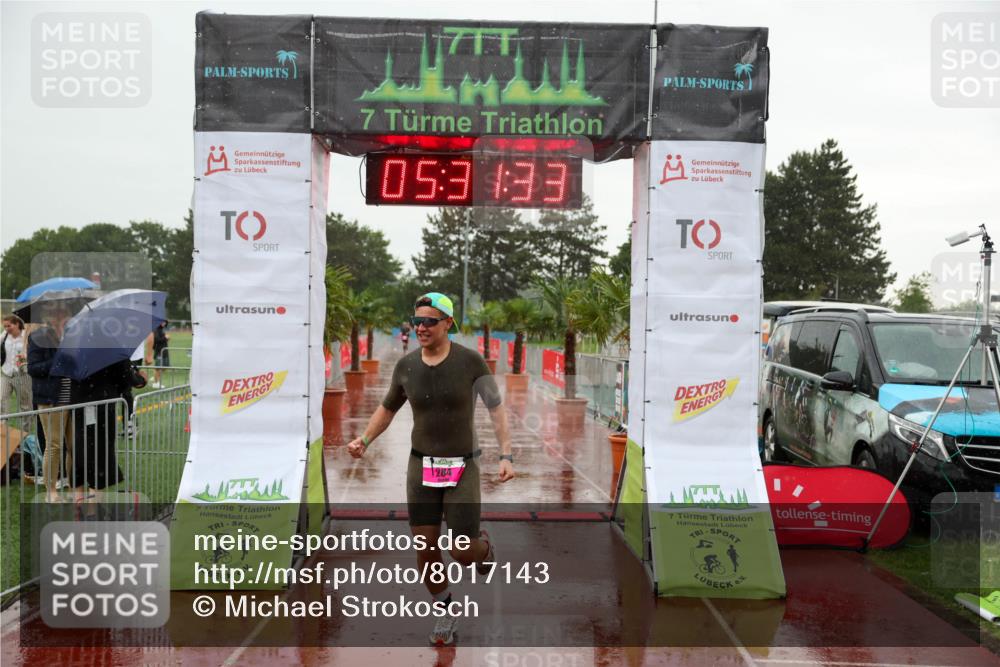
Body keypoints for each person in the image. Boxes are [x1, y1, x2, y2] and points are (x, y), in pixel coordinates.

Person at [348, 292, 515, 646]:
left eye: (429, 321)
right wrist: (365, 438)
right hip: (421, 466)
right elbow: (388, 408)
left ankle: (485, 550)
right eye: (417, 321)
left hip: (462, 466)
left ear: (448, 324)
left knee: (461, 549)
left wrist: (506, 455)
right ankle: (444, 610)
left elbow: (496, 408)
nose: (421, 327)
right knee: (425, 549)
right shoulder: (406, 366)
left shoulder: (471, 362)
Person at [27, 302, 73, 502]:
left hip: (73, 398)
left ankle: (72, 486)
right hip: (49, 399)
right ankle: (51, 491)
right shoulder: (38, 337)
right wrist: (59, 359)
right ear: (51, 317)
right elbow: (33, 368)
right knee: (54, 445)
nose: (63, 318)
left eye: (65, 314)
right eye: (59, 314)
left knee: (73, 445)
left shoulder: (72, 337)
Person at [1, 314, 32, 415]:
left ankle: (26, 429)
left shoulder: (26, 335)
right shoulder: (5, 334)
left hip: (22, 375)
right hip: (6, 373)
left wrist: (25, 358)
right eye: (4, 326)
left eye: (9, 326)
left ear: (17, 324)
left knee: (25, 405)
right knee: (1, 400)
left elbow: (32, 352)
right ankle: (2, 426)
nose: (6, 328)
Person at [151, 321, 169, 388]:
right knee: (158, 368)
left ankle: (155, 377)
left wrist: (166, 339)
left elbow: (161, 339)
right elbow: (157, 340)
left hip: (164, 351)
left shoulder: (161, 329)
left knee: (165, 366)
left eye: (164, 322)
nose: (164, 323)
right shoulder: (156, 329)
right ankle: (156, 383)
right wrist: (165, 338)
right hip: (159, 351)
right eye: (162, 321)